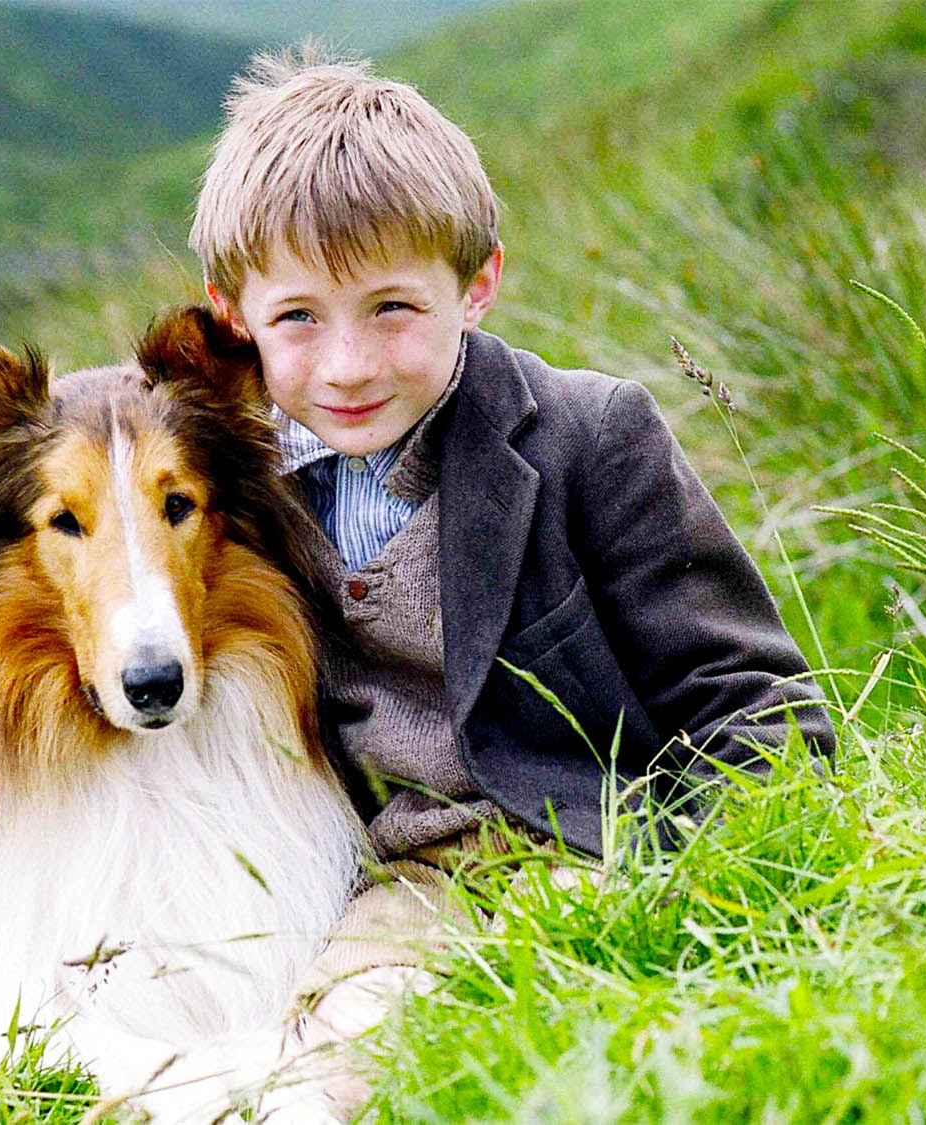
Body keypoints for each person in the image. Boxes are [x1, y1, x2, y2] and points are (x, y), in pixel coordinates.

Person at [186, 44, 836, 1110]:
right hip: (348, 876)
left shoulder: (590, 435)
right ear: (232, 317)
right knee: (270, 1042)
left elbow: (746, 694)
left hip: (572, 842)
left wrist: (735, 880)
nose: (347, 364)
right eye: (297, 317)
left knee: (409, 1053)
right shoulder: (225, 488)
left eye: (392, 308)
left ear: (475, 284)